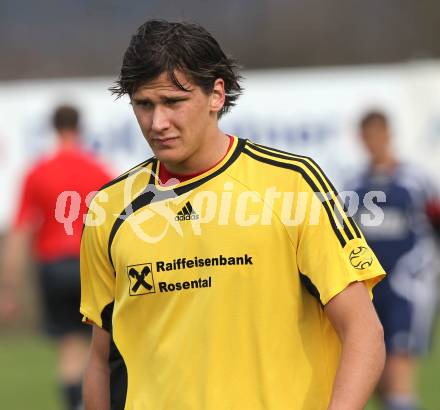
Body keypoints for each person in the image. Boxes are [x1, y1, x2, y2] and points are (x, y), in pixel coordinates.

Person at [80, 20, 386, 410]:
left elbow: (364, 332)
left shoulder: (291, 184)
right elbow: (101, 361)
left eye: (173, 102)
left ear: (216, 95)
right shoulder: (108, 209)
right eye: (144, 104)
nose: (157, 123)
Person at [0, 105, 112, 410]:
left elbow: (20, 232)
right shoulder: (99, 169)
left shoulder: (37, 172)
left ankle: (74, 404)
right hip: (91, 265)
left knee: (68, 347)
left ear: (53, 128)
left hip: (52, 266)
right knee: (98, 346)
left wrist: (8, 287)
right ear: (79, 127)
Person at [350, 111, 440, 410]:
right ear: (361, 139)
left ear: (389, 135)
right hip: (371, 289)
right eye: (368, 136)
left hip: (409, 286)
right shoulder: (355, 186)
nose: (374, 142)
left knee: (400, 369)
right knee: (376, 377)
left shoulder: (415, 181)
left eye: (379, 135)